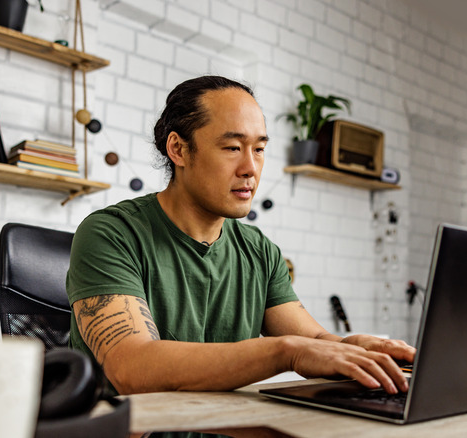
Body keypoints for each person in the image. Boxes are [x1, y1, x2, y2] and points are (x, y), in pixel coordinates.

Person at [66, 75, 415, 395]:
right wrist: (284, 352)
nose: (250, 168)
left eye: (259, 149)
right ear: (179, 149)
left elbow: (312, 340)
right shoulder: (111, 234)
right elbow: (132, 368)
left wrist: (350, 347)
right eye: (233, 147)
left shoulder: (260, 251)